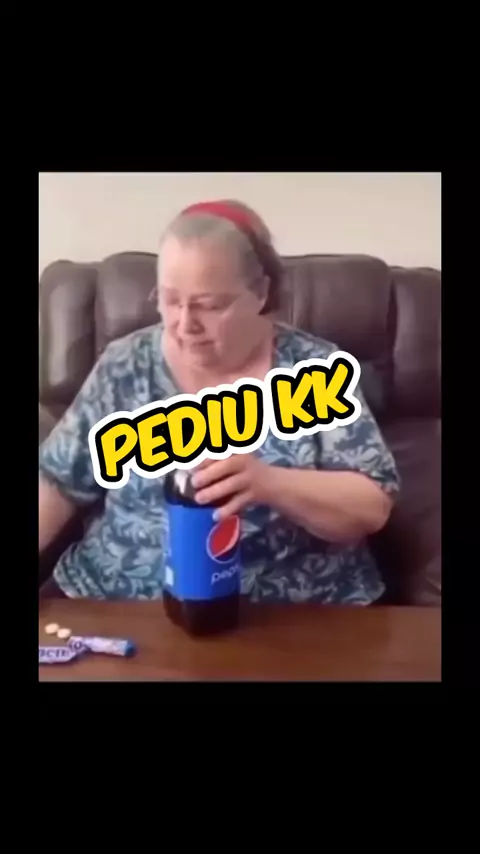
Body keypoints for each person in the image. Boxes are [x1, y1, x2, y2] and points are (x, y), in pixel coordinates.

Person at [39, 199, 400, 603]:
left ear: (261, 293)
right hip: (118, 602)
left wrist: (270, 483)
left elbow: (372, 507)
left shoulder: (314, 370)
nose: (184, 324)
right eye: (170, 300)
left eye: (209, 305)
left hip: (289, 614)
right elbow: (56, 484)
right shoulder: (124, 365)